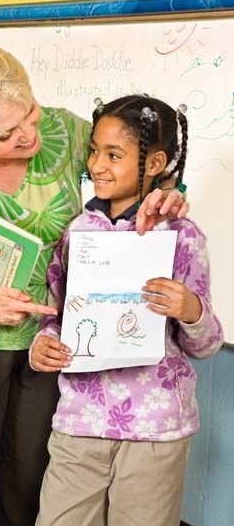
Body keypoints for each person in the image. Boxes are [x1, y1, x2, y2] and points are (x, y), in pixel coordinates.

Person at [0, 38, 188, 526]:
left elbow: (135, 174)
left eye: (28, 112)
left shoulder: (63, 130)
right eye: (7, 133)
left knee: (32, 477)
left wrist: (169, 195)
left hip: (53, 338)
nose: (30, 133)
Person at [31, 95, 223, 526]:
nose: (97, 165)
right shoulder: (77, 232)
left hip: (155, 427)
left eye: (114, 154)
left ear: (154, 163)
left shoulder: (181, 237)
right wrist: (43, 343)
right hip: (79, 419)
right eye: (94, 150)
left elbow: (207, 344)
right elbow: (55, 313)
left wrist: (190, 309)